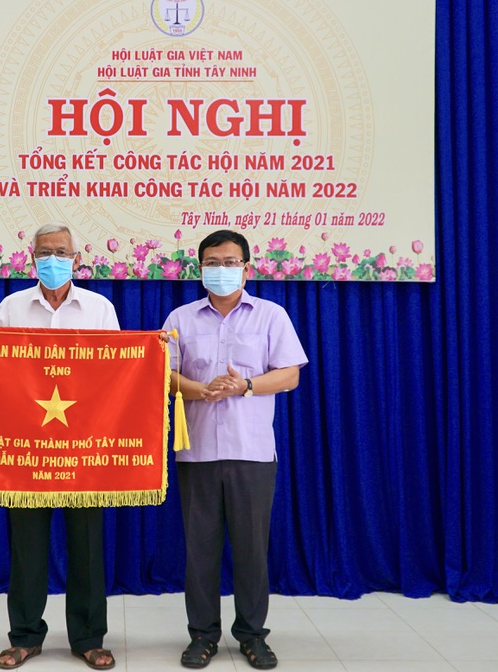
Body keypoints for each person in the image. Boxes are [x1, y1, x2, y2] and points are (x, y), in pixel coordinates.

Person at [0, 223, 119, 670]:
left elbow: (119, 374)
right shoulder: (12, 306)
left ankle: (88, 638)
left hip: (84, 450)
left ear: (77, 259)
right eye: (45, 253)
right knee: (26, 549)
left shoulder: (99, 308)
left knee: (87, 548)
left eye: (61, 252)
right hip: (26, 450)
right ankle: (24, 636)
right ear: (31, 258)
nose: (53, 260)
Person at [162, 230, 308, 671]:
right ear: (199, 269)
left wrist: (244, 385)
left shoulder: (271, 315)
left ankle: (252, 636)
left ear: (247, 269)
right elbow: (164, 376)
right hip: (197, 453)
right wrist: (200, 390)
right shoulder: (181, 318)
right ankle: (202, 636)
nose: (221, 270)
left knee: (250, 551)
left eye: (230, 262)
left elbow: (289, 375)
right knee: (199, 552)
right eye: (212, 263)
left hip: (252, 452)